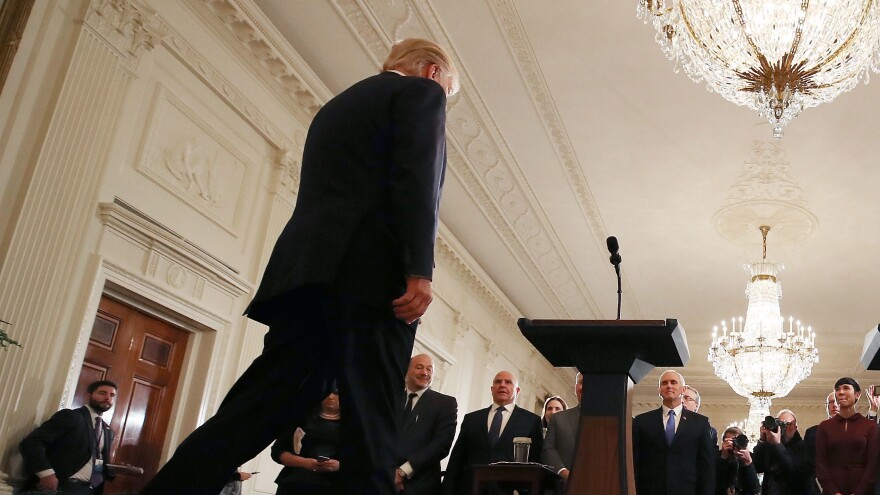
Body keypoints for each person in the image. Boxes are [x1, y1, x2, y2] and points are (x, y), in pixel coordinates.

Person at [138, 39, 459, 495]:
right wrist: (419, 269)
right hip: (370, 281)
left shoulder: (335, 108)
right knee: (373, 419)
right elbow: (417, 181)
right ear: (431, 73)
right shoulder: (422, 94)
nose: (446, 100)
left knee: (254, 408)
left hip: (307, 278)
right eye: (449, 90)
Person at [441, 371, 543, 495]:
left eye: (508, 382)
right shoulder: (472, 419)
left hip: (509, 491)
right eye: (498, 382)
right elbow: (457, 459)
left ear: (517, 390)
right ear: (492, 389)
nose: (502, 385)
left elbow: (535, 462)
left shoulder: (531, 421)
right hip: (471, 489)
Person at [19, 380, 118, 495]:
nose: (107, 398)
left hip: (89, 490)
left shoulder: (108, 431)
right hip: (61, 486)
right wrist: (46, 474)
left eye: (112, 395)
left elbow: (96, 458)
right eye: (102, 393)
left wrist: (112, 469)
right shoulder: (71, 416)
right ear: (88, 396)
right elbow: (32, 443)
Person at [631, 370, 715, 495]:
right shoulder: (642, 421)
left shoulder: (700, 423)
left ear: (683, 389)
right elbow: (635, 462)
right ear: (659, 390)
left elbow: (706, 466)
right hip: (650, 489)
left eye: (673, 382)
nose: (669, 386)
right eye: (664, 383)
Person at [395, 353, 457, 495]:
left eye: (429, 369)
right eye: (419, 367)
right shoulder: (392, 398)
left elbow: (441, 445)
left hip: (420, 485)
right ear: (407, 370)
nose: (424, 373)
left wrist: (403, 471)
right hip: (382, 480)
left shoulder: (445, 404)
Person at [815, 377, 879, 495]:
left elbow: (873, 463)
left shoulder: (870, 426)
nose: (841, 392)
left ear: (857, 394)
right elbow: (820, 462)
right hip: (832, 490)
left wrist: (858, 492)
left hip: (864, 490)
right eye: (837, 389)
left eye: (846, 388)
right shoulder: (824, 427)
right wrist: (834, 492)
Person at [271, 391, 342, 495]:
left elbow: (365, 459)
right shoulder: (302, 417)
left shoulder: (354, 424)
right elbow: (278, 451)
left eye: (336, 393)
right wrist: (305, 463)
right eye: (327, 392)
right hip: (295, 483)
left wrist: (340, 465)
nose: (330, 397)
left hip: (334, 486)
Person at [752, 409, 808, 495]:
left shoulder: (803, 446)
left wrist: (778, 445)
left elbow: (794, 473)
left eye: (788, 424)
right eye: (781, 424)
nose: (785, 428)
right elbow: (757, 467)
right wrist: (762, 440)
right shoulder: (770, 446)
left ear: (795, 428)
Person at [542, 372, 582, 480]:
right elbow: (548, 448)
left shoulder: (611, 420)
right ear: (575, 387)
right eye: (582, 382)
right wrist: (564, 472)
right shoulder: (559, 418)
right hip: (563, 485)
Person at [803, 392, 840, 495]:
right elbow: (808, 463)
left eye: (838, 402)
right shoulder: (813, 432)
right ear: (826, 406)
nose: (835, 405)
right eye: (831, 402)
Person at [716, 426, 760, 495]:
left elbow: (755, 489)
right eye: (731, 441)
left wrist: (748, 462)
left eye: (737, 441)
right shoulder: (717, 456)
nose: (734, 444)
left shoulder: (749, 456)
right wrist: (723, 457)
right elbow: (716, 485)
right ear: (724, 441)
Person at [683, 384, 719, 450]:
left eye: (687, 398)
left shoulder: (710, 431)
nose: (682, 401)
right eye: (680, 398)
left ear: (696, 405)